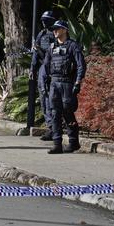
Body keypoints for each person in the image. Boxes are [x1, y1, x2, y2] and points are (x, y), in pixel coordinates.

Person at [40, 20, 86, 154]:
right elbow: (46, 66)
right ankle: (57, 144)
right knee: (55, 113)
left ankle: (73, 142)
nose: (55, 31)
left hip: (67, 84)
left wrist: (77, 82)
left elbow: (81, 66)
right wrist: (45, 82)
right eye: (54, 29)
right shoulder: (51, 47)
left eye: (58, 29)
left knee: (68, 112)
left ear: (65, 30)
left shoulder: (73, 46)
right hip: (54, 83)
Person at [29, 10, 56, 141]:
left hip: (51, 69)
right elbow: (35, 54)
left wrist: (39, 49)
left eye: (47, 20)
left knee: (50, 98)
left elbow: (50, 54)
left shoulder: (55, 35)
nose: (44, 22)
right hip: (41, 69)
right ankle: (50, 125)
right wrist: (32, 68)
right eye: (43, 20)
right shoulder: (42, 33)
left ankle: (53, 128)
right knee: (43, 97)